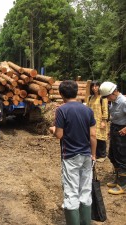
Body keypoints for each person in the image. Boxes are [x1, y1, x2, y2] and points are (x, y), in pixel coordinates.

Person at [49, 80, 96, 225]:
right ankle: (85, 222)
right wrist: (93, 155)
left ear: (61, 94)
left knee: (71, 192)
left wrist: (52, 130)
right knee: (85, 190)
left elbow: (59, 135)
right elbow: (93, 136)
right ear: (76, 93)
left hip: (70, 156)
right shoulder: (87, 110)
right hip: (87, 155)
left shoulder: (62, 110)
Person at [99, 81, 126, 194]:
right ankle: (117, 179)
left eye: (107, 96)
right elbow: (114, 117)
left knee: (122, 158)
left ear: (114, 92)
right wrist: (111, 130)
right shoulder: (114, 102)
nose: (107, 99)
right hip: (115, 129)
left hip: (122, 132)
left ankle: (123, 185)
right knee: (112, 156)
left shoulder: (124, 101)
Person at [87, 81, 108, 162]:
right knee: (93, 136)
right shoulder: (90, 98)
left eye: (96, 86)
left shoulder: (103, 98)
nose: (94, 88)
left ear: (99, 87)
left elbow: (105, 110)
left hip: (100, 120)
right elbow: (88, 109)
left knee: (101, 138)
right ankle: (94, 153)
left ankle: (102, 155)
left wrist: (103, 120)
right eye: (93, 86)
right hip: (91, 121)